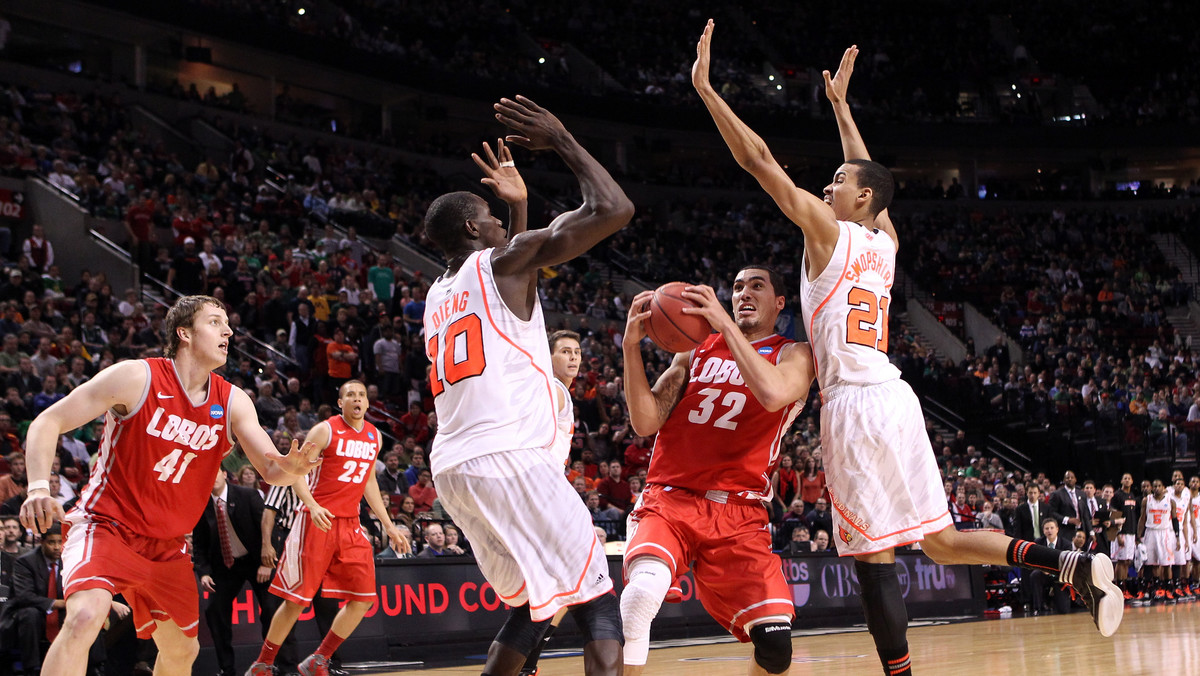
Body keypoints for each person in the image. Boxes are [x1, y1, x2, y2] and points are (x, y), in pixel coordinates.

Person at [692, 23, 1123, 674]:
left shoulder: (829, 235)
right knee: (944, 543)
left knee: (873, 561)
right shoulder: (882, 241)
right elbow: (874, 182)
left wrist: (706, 90)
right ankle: (1068, 562)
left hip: (856, 409)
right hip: (897, 397)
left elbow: (759, 162)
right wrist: (840, 110)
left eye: (838, 180)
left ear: (856, 199)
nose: (828, 185)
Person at [421, 95, 633, 676]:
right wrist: (562, 138)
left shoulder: (437, 296)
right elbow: (615, 208)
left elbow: (514, 277)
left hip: (457, 467)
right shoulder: (502, 264)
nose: (498, 220)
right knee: (595, 592)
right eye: (489, 214)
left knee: (536, 606)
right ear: (473, 227)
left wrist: (516, 211)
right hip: (508, 456)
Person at [18, 295, 322, 676]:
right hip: (107, 526)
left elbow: (270, 470)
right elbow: (47, 421)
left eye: (227, 323)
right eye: (215, 322)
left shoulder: (233, 402)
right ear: (184, 333)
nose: (228, 330)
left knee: (183, 652)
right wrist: (38, 489)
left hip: (168, 546)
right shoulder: (135, 377)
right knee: (84, 617)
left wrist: (292, 468)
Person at [620, 264, 814, 676]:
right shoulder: (695, 349)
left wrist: (724, 325)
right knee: (641, 597)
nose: (744, 293)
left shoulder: (794, 354)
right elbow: (646, 421)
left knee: (776, 649)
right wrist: (630, 349)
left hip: (740, 515)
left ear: (779, 303)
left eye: (757, 286)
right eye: (738, 286)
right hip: (670, 498)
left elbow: (775, 393)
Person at [247, 380, 409, 676]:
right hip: (316, 520)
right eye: (351, 395)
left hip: (350, 524)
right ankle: (263, 663)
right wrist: (311, 504)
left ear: (368, 403)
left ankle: (319, 659)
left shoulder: (375, 436)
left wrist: (390, 524)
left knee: (363, 599)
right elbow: (294, 470)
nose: (357, 399)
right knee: (296, 601)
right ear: (340, 402)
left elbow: (368, 481)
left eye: (362, 394)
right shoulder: (325, 430)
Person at [193, 470, 273, 676]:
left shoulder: (248, 495)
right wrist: (204, 573)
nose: (210, 477)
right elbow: (200, 545)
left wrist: (267, 561)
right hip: (225, 566)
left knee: (272, 609)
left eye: (214, 473)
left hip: (257, 560)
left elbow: (267, 530)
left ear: (224, 474)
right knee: (214, 610)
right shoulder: (201, 505)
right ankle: (226, 669)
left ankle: (278, 664)